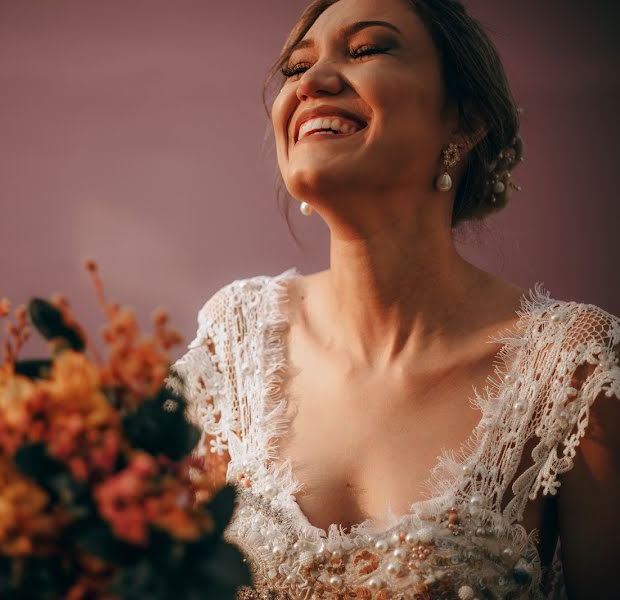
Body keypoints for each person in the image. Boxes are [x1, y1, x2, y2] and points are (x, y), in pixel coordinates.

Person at [167, 1, 620, 598]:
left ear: (465, 120)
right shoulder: (235, 341)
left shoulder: (571, 370)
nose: (312, 83)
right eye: (296, 67)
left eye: (366, 50)